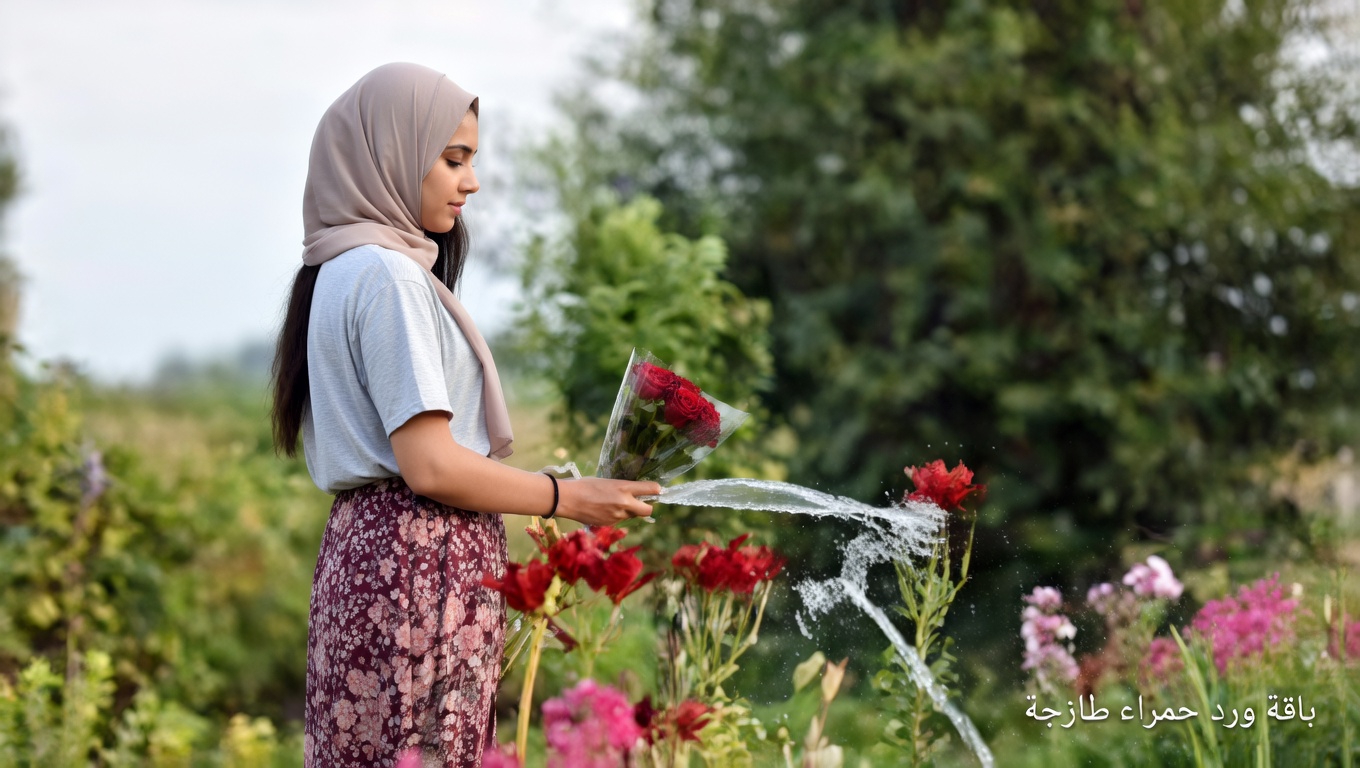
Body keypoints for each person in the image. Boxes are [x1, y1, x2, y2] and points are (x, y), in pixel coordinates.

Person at [270, 62, 659, 768]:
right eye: (453, 160)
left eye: (471, 161)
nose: (470, 183)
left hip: (366, 558)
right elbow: (432, 465)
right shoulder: (388, 277)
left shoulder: (338, 271)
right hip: (419, 567)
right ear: (390, 152)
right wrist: (566, 498)